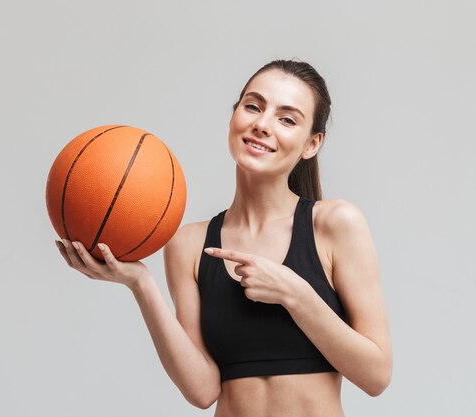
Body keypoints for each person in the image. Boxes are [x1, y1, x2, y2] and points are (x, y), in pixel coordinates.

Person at [55, 59, 393, 417]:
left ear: (312, 144)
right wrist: (140, 283)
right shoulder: (188, 244)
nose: (263, 124)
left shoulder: (336, 224)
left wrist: (295, 294)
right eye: (253, 106)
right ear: (234, 117)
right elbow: (202, 391)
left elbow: (376, 375)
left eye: (287, 119)